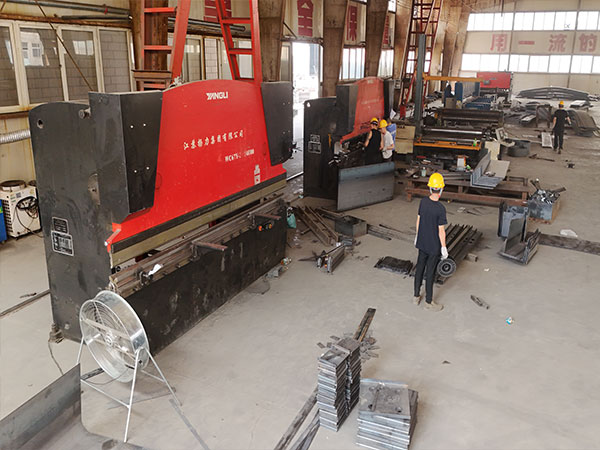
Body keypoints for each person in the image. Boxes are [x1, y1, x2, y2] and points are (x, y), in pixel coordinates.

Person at [413, 173, 448, 312]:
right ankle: (428, 302)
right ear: (441, 189)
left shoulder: (423, 202)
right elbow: (441, 231)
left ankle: (416, 296)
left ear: (430, 188)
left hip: (422, 243)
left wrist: (417, 236)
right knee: (430, 273)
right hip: (433, 246)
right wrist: (443, 247)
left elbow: (418, 220)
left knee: (419, 269)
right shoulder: (440, 209)